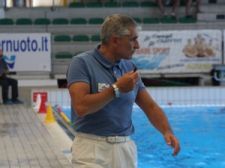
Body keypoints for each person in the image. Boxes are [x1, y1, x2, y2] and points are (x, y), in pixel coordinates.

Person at [67, 14, 180, 168]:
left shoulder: (129, 67)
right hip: (92, 149)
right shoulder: (82, 63)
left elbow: (150, 106)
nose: (137, 45)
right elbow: (81, 107)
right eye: (133, 39)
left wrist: (167, 131)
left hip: (125, 149)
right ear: (115, 40)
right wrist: (116, 89)